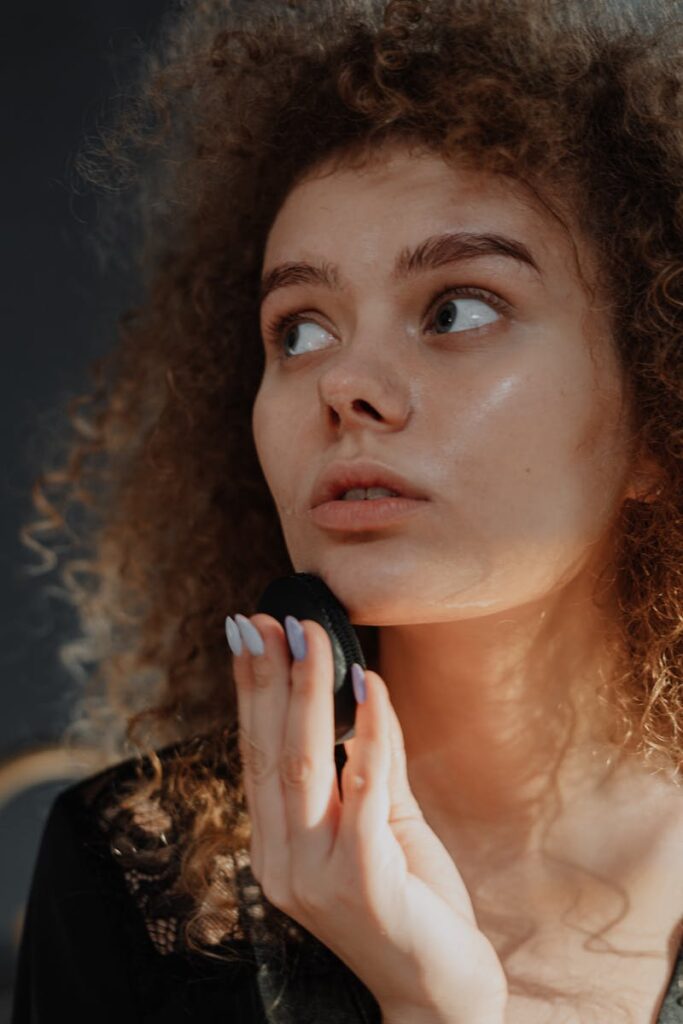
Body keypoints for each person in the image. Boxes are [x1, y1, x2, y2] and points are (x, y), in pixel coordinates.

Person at [11, 0, 683, 1021]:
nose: (345, 384)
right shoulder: (136, 874)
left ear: (654, 414)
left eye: (456, 308)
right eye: (301, 329)